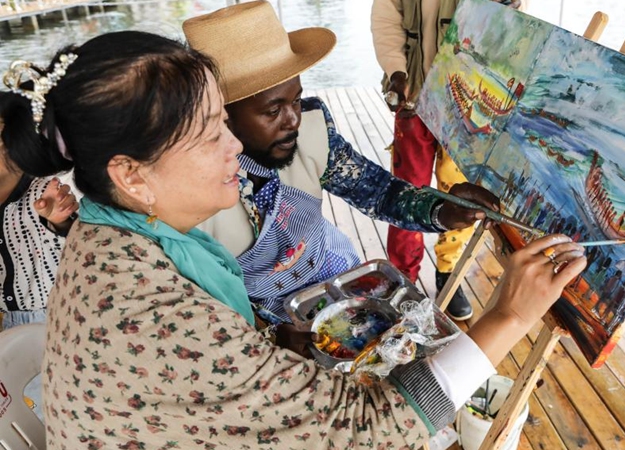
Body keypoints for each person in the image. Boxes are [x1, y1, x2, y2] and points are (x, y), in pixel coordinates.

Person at [5, 31, 585, 450]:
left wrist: (437, 210)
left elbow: (379, 191)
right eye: (213, 131)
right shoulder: (150, 312)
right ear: (131, 175)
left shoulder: (118, 234)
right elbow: (364, 432)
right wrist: (508, 316)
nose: (233, 145)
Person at [183, 1, 496, 328]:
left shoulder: (314, 133)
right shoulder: (186, 190)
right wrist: (269, 333)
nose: (293, 120)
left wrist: (441, 209)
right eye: (273, 111)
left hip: (337, 278)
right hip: (263, 320)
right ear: (221, 115)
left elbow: (379, 193)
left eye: (295, 99)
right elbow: (203, 302)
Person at [371, 0, 524, 321]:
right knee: (405, 190)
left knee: (461, 190)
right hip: (413, 96)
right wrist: (396, 71)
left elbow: (512, 30)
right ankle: (403, 276)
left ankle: (448, 272)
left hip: (469, 102)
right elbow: (386, 25)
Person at [0, 91, 78, 420]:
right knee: (38, 414)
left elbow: (74, 232)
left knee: (74, 406)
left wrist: (59, 220)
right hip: (12, 330)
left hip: (62, 317)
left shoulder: (43, 189)